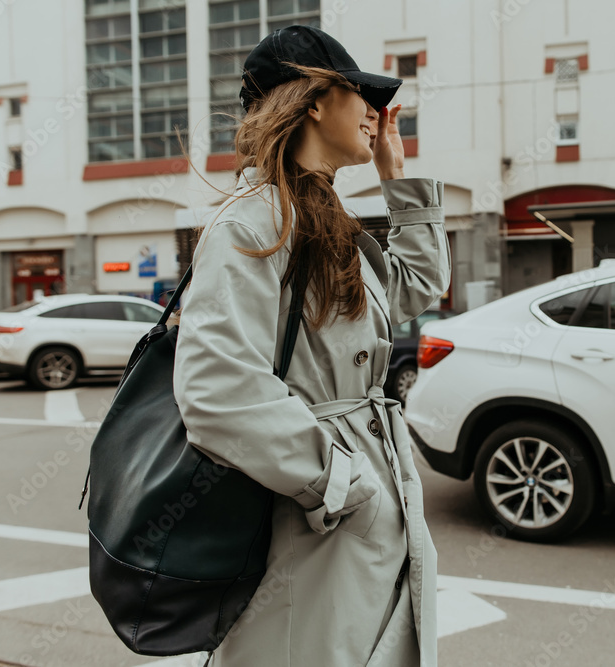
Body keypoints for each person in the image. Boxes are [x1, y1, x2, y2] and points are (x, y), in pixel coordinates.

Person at [172, 26, 449, 667]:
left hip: (356, 502)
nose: (376, 113)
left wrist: (395, 176)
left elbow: (414, 288)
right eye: (362, 94)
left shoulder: (322, 219)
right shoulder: (253, 220)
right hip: (316, 514)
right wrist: (340, 484)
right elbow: (216, 389)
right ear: (315, 101)